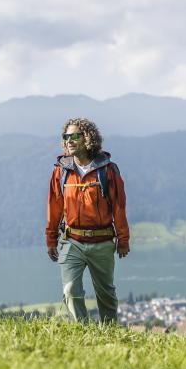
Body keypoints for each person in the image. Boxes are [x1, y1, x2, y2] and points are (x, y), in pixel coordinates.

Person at [46, 118, 129, 322]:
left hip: (102, 242)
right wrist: (50, 239)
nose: (69, 140)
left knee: (106, 295)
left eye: (75, 136)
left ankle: (109, 334)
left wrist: (123, 240)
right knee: (70, 290)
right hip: (71, 240)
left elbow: (119, 206)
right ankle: (83, 333)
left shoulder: (107, 170)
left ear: (88, 138)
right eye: (66, 137)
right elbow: (54, 207)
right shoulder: (61, 170)